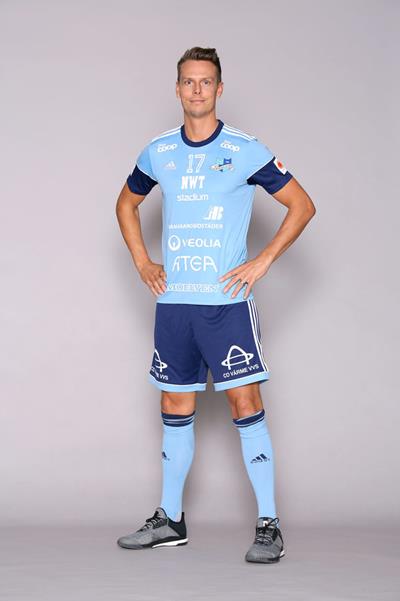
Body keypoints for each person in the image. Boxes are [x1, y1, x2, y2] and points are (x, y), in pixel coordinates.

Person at [115, 46, 316, 564]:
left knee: (244, 403)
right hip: (174, 304)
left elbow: (301, 204)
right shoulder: (159, 151)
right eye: (189, 81)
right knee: (174, 405)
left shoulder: (245, 149)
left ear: (220, 89)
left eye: (206, 82)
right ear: (177, 88)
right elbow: (127, 203)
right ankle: (170, 519)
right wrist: (143, 262)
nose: (197, 90)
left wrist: (263, 261)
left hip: (225, 304)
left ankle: (269, 524)